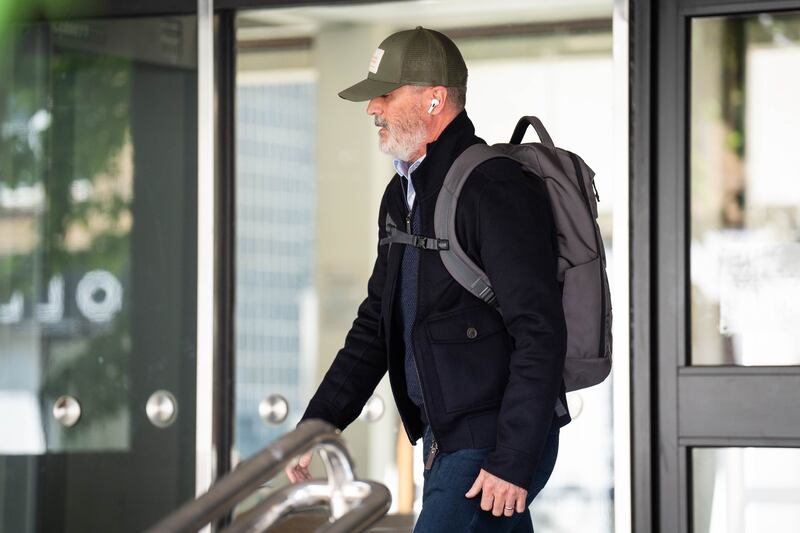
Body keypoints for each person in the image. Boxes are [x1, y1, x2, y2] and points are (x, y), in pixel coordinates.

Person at [285, 26, 570, 532]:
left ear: (435, 99)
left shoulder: (493, 187)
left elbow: (540, 327)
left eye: (386, 94)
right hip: (445, 439)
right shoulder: (402, 197)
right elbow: (377, 323)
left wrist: (513, 457)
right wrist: (319, 421)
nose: (373, 108)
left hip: (491, 444)